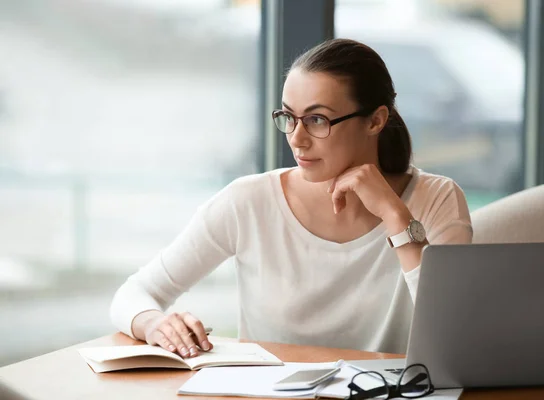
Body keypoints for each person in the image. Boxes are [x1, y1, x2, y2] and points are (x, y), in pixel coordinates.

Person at [110, 38, 472, 359]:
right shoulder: (249, 201)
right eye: (288, 117)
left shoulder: (436, 198)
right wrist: (155, 324)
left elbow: (455, 334)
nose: (296, 139)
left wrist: (395, 216)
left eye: (317, 120)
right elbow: (135, 293)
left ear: (375, 121)